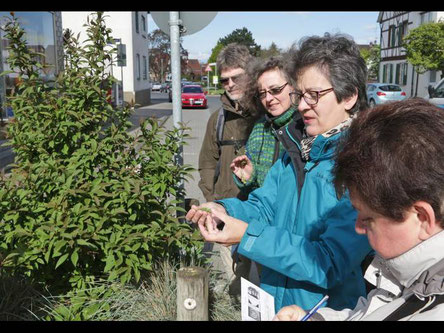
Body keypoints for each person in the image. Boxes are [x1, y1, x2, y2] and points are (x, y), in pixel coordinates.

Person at [186, 33, 372, 313]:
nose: (301, 105)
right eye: (300, 95)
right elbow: (264, 206)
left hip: (325, 313)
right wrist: (223, 210)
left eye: (315, 95)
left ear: (349, 97)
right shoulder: (296, 149)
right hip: (275, 305)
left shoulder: (363, 165)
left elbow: (329, 262)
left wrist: (247, 236)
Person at [274, 98, 444, 321]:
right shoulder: (409, 272)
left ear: (422, 218)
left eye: (368, 218)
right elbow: (375, 311)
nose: (358, 227)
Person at [197, 43, 259, 296]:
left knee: (259, 282)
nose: (230, 84)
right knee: (238, 280)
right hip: (227, 211)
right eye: (225, 80)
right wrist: (213, 202)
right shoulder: (218, 118)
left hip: (260, 214)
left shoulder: (266, 113)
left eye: (237, 77)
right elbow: (207, 162)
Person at [230, 55, 301, 195]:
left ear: (294, 86)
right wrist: (248, 178)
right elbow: (254, 193)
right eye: (262, 93)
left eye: (275, 90)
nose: (268, 99)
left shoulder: (307, 126)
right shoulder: (259, 129)